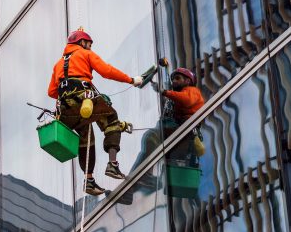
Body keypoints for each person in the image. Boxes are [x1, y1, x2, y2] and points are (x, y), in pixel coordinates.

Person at [48, 28, 147, 196]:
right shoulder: (85, 54)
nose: (90, 48)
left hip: (66, 109)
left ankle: (89, 180)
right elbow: (106, 71)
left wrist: (69, 91)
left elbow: (51, 92)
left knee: (86, 139)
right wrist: (131, 80)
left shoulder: (58, 64)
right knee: (111, 118)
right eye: (89, 44)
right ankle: (112, 164)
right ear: (82, 43)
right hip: (84, 99)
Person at [159, 67, 205, 162]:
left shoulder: (192, 90)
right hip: (184, 127)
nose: (174, 81)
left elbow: (187, 100)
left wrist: (165, 92)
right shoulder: (177, 97)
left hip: (188, 127)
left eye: (177, 78)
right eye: (173, 79)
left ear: (187, 81)